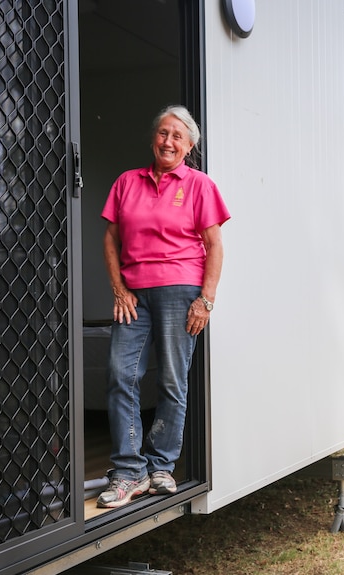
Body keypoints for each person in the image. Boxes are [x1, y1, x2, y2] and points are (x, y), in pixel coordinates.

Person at [97, 105, 230, 508]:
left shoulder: (200, 185)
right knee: (122, 374)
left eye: (177, 136)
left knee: (172, 381)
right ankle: (127, 472)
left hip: (180, 292)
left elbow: (214, 245)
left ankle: (160, 466)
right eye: (163, 133)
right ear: (153, 138)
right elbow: (110, 238)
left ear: (189, 146)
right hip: (135, 295)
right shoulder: (127, 182)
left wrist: (205, 301)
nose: (168, 141)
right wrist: (118, 289)